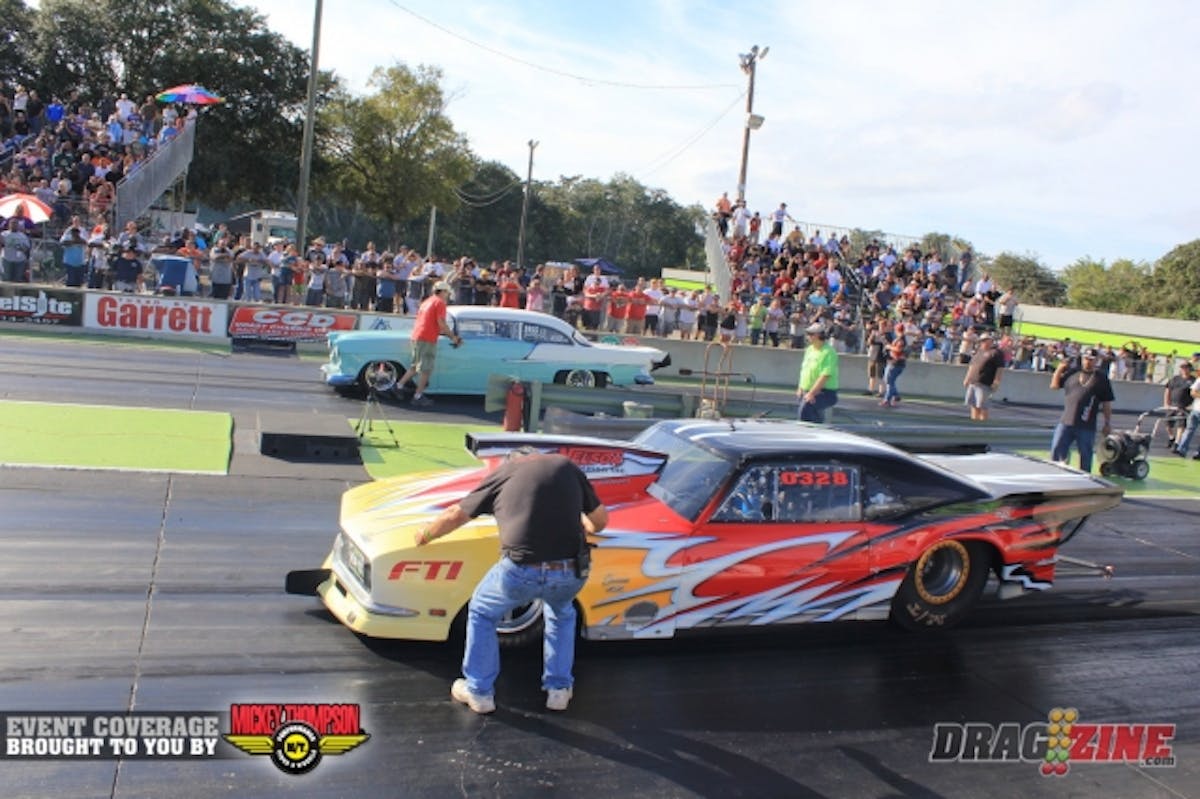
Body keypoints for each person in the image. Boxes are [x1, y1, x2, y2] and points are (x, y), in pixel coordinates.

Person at [415, 448, 608, 714]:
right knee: (561, 614)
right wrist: (588, 526)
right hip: (570, 570)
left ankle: (479, 692)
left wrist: (425, 535)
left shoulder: (504, 473)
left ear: (511, 461)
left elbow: (455, 515)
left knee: (482, 612)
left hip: (521, 571)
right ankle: (559, 691)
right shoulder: (566, 466)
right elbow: (600, 520)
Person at [394, 281, 462, 407]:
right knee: (426, 369)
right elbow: (441, 323)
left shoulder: (427, 301)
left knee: (415, 365)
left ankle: (399, 385)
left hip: (418, 334)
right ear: (443, 292)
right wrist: (453, 337)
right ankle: (418, 395)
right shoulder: (440, 303)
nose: (447, 295)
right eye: (447, 292)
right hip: (427, 337)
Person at [1050, 347, 1115, 472]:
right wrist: (1059, 369)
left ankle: (1084, 477)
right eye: (1086, 359)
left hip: (1086, 425)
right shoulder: (1073, 372)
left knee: (1085, 456)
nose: (1088, 362)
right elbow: (1054, 386)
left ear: (1096, 361)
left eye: (1091, 359)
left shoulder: (1101, 379)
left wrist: (1107, 423)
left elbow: (1106, 403)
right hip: (1066, 422)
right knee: (1057, 450)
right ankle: (1055, 473)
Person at [796, 322, 840, 423]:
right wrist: (800, 387)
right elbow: (804, 370)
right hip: (807, 390)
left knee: (806, 409)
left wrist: (812, 393)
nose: (808, 336)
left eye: (811, 334)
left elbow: (825, 375)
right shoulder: (809, 350)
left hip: (825, 392)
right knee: (814, 416)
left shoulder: (829, 352)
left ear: (818, 335)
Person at [963, 332, 1005, 421]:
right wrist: (967, 378)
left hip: (985, 383)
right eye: (982, 341)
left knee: (982, 406)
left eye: (985, 340)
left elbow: (1000, 369)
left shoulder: (995, 353)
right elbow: (972, 366)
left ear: (991, 341)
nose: (983, 342)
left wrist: (996, 382)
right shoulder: (979, 352)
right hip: (973, 382)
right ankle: (974, 421)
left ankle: (983, 423)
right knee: (974, 404)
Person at [1163, 360, 1194, 450]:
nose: (1184, 369)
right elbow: (1168, 390)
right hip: (1173, 405)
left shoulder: (1193, 380)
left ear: (1189, 369)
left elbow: (1195, 393)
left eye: (1186, 367)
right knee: (1168, 423)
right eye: (1182, 367)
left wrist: (1191, 406)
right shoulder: (1175, 379)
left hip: (1184, 406)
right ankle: (1172, 438)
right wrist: (1166, 403)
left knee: (1181, 424)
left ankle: (1177, 443)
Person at [1171, 368, 1200, 460]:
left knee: (1189, 430)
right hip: (1196, 410)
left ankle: (1197, 453)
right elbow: (1193, 392)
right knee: (1189, 430)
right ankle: (1182, 449)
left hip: (1196, 409)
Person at [1, 217, 31, 282]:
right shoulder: (3, 234)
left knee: (17, 279)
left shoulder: (23, 236)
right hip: (6, 259)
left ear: (18, 225)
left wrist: (21, 248)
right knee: (6, 278)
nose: (14, 225)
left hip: (19, 261)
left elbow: (27, 248)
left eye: (15, 223)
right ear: (9, 225)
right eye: (12, 223)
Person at [881, 334, 908, 407]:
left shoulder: (901, 341)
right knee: (889, 381)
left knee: (889, 382)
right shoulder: (900, 340)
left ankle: (887, 400)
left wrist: (889, 347)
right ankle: (896, 395)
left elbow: (898, 350)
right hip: (896, 364)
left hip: (895, 364)